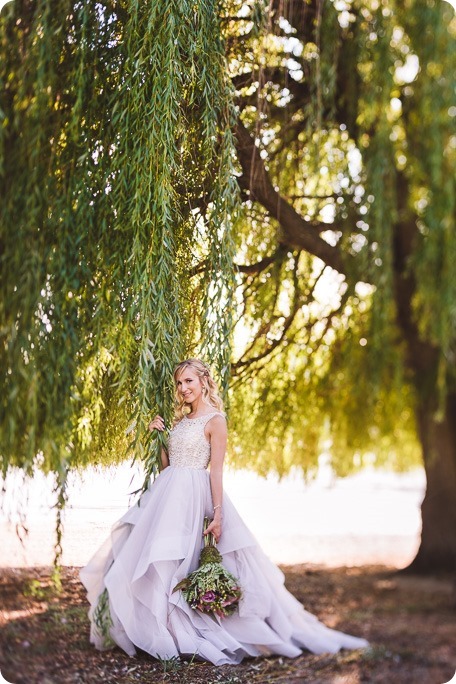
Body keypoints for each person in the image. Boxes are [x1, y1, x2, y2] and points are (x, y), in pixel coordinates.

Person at [80, 358, 368, 665]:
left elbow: (215, 471)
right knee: (162, 558)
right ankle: (162, 631)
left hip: (195, 496)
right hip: (167, 495)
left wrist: (217, 515)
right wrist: (158, 438)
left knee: (188, 560)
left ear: (203, 381)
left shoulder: (216, 421)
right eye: (179, 383)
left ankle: (192, 630)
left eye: (189, 381)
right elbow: (167, 465)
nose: (183, 389)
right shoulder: (179, 421)